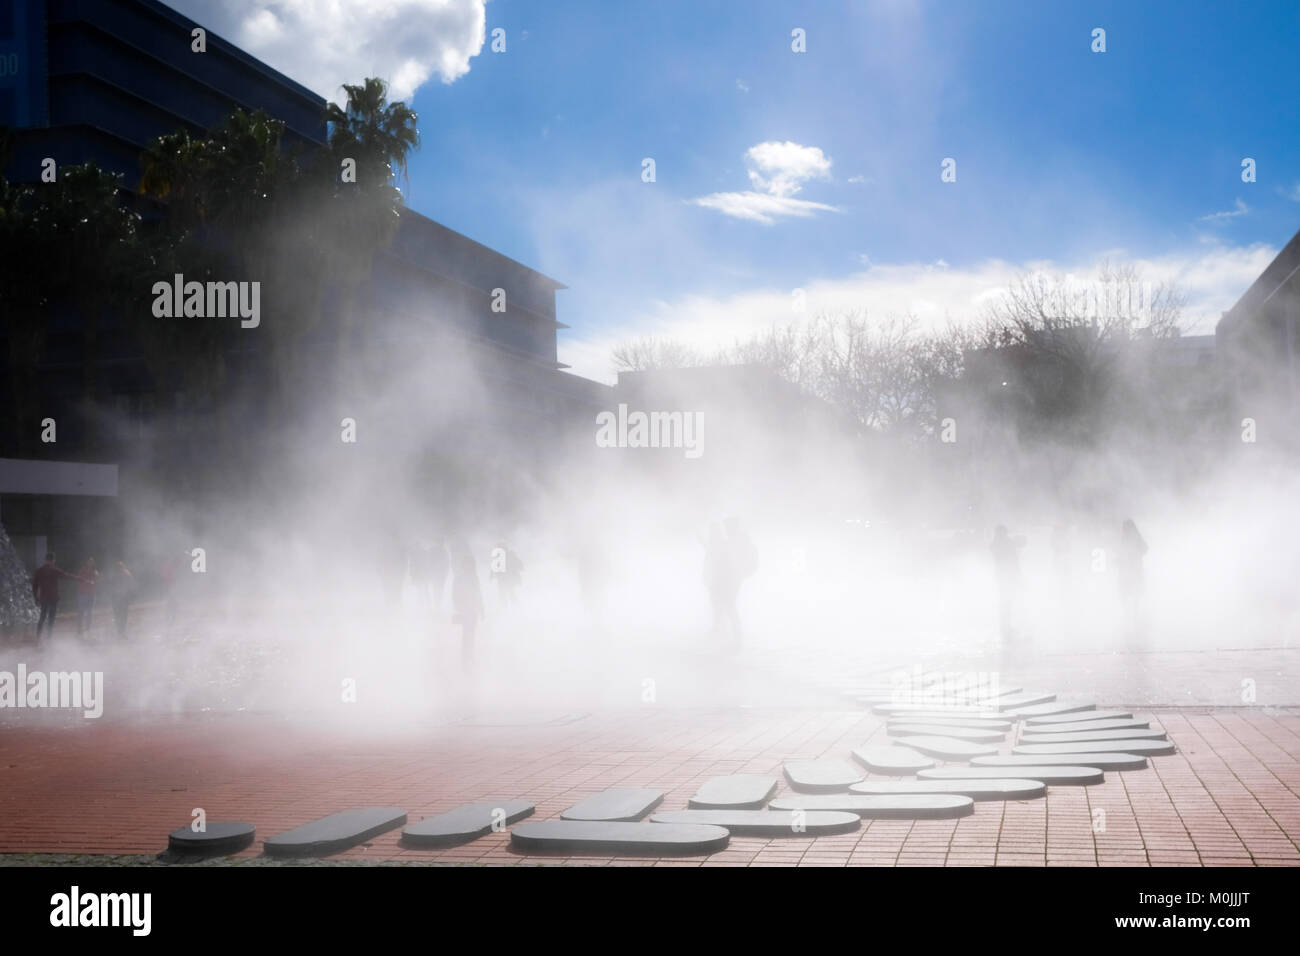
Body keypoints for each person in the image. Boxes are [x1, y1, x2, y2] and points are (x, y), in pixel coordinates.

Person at [31, 553, 82, 641]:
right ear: (53, 560)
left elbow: (34, 586)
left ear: (45, 559)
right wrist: (79, 579)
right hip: (53, 598)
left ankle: (38, 636)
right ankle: (48, 638)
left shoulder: (39, 571)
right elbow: (67, 576)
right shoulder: (54, 570)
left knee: (42, 617)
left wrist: (36, 598)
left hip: (44, 598)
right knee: (51, 618)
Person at [451, 543, 484, 668]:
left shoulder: (470, 577)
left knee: (470, 632)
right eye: (469, 564)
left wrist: (481, 607)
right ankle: (466, 656)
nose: (470, 566)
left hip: (471, 608)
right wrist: (459, 606)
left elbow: (478, 593)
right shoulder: (462, 578)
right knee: (467, 632)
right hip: (467, 609)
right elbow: (455, 594)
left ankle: (468, 654)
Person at [989, 525, 1024, 640]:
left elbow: (1017, 550)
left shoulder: (999, 543)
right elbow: (1010, 557)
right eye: (1004, 533)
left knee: (1007, 599)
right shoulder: (1001, 544)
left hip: (1005, 574)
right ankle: (1005, 625)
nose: (1006, 534)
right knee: (1006, 599)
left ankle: (1006, 624)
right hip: (1005, 574)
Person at [1117, 518, 1148, 637]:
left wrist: (1133, 556)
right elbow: (1144, 549)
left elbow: (1145, 549)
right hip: (1130, 570)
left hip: (1131, 570)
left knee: (1130, 592)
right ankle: (1131, 615)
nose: (1123, 530)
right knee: (1130, 593)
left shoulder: (1132, 539)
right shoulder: (1132, 538)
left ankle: (1131, 615)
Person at [490, 541, 523, 606]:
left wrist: (491, 576)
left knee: (508, 593)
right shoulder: (501, 556)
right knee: (507, 594)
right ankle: (509, 608)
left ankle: (511, 607)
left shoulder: (508, 555)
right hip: (504, 578)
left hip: (507, 578)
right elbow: (494, 567)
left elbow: (519, 564)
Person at [109, 561, 135, 638]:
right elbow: (131, 584)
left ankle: (120, 631)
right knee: (121, 615)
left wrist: (130, 595)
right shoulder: (126, 573)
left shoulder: (124, 574)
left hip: (121, 597)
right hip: (120, 597)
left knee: (120, 615)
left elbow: (130, 584)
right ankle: (121, 631)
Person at [75, 557, 99, 635]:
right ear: (86, 562)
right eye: (89, 562)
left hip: (91, 594)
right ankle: (79, 629)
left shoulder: (95, 572)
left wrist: (93, 581)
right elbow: (79, 580)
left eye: (92, 562)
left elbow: (97, 581)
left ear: (93, 563)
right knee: (81, 612)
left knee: (90, 612)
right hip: (83, 594)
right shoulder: (82, 570)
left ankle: (88, 629)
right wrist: (88, 581)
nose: (90, 563)